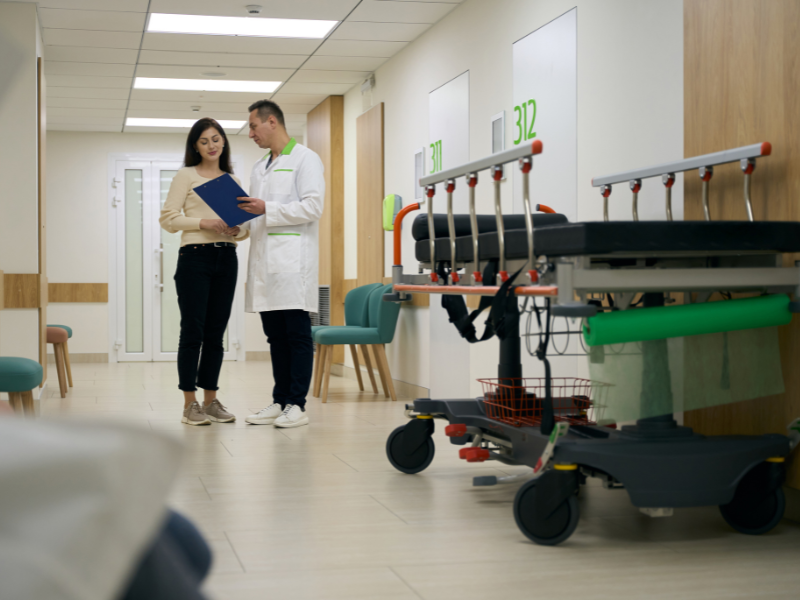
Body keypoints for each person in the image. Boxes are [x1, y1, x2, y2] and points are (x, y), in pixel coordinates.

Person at [237, 100, 325, 428]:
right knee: (275, 337)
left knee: (297, 336)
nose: (250, 134)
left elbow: (313, 207)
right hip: (264, 266)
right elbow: (254, 212)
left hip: (292, 265)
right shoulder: (259, 167)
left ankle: (297, 405)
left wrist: (266, 209)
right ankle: (280, 400)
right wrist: (238, 226)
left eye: (253, 126)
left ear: (271, 122)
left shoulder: (305, 159)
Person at [160, 118, 248, 426]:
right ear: (195, 146)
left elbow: (245, 230)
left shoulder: (231, 180)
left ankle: (211, 401)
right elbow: (168, 219)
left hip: (227, 257)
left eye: (216, 139)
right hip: (195, 257)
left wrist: (239, 229)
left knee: (215, 334)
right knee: (193, 331)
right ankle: (190, 404)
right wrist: (204, 223)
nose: (211, 145)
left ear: (224, 142)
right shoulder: (186, 175)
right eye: (204, 141)